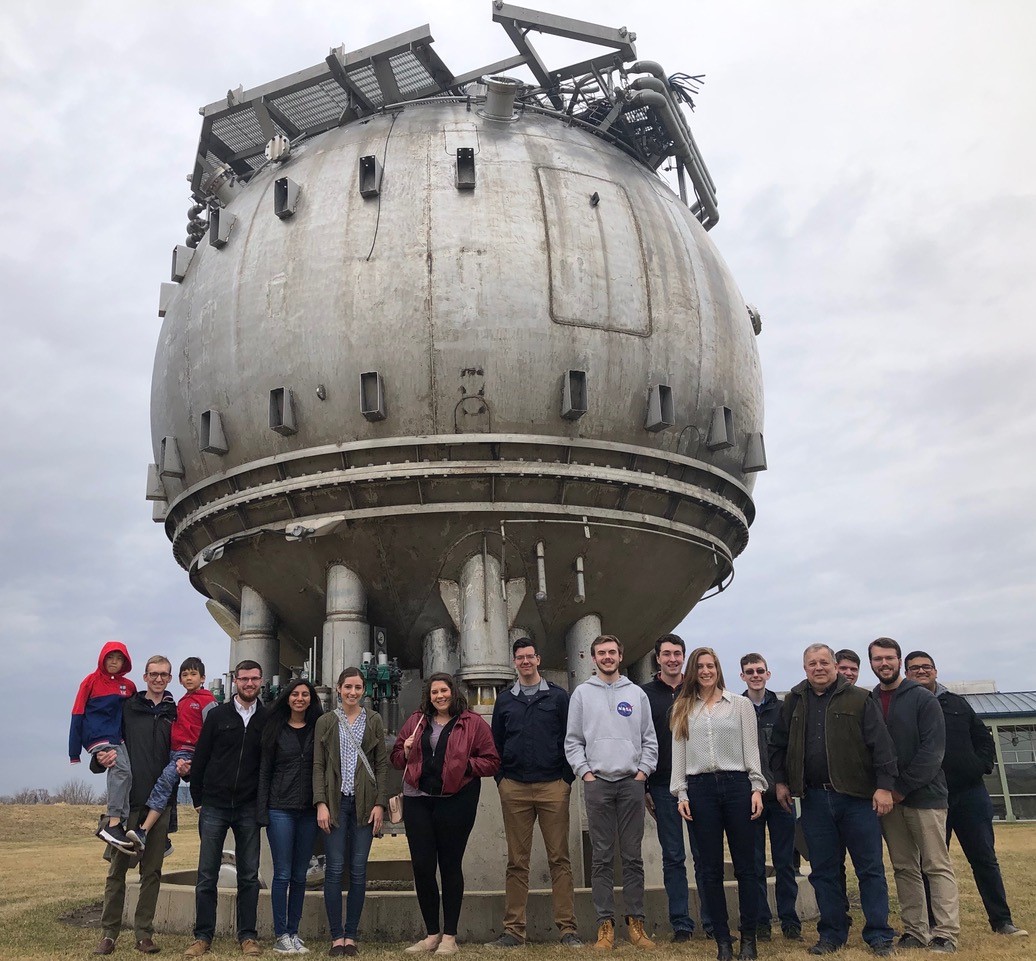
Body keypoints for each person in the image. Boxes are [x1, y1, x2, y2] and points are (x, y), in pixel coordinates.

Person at [769, 643, 897, 958]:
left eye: (824, 662)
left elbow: (881, 746)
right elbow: (779, 746)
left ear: (835, 665)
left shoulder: (858, 698)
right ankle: (832, 934)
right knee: (824, 871)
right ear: (805, 668)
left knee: (870, 869)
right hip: (813, 799)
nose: (819, 668)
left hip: (856, 799)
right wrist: (782, 782)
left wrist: (884, 787)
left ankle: (879, 935)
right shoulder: (794, 702)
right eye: (812, 663)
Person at [904, 651, 1027, 938]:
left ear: (935, 670)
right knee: (931, 863)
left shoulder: (957, 703)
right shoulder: (905, 705)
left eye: (926, 667)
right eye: (914, 668)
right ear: (906, 673)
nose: (922, 671)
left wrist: (980, 765)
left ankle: (1001, 921)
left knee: (984, 858)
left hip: (969, 794)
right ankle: (935, 922)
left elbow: (983, 738)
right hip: (930, 797)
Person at [392, 672, 500, 955]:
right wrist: (404, 751)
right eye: (434, 692)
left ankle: (450, 936)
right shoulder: (417, 720)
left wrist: (465, 767)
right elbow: (395, 758)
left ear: (454, 692)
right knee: (422, 867)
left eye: (444, 691)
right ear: (428, 696)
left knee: (450, 865)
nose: (439, 696)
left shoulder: (472, 723)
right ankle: (431, 934)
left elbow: (491, 761)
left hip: (456, 800)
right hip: (418, 800)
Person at [670, 647, 764, 961]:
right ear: (693, 672)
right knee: (709, 870)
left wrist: (755, 787)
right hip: (700, 789)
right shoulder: (682, 707)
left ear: (718, 669)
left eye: (711, 666)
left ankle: (748, 938)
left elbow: (751, 748)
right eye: (700, 667)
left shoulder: (739, 705)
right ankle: (722, 940)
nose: (706, 671)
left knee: (746, 867)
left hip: (737, 785)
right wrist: (681, 792)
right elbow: (679, 755)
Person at [565, 634, 658, 951]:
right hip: (598, 783)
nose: (607, 657)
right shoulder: (582, 694)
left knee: (632, 858)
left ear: (620, 655)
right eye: (601, 653)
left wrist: (642, 772)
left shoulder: (635, 694)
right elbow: (573, 740)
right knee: (602, 857)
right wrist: (586, 773)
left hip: (631, 783)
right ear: (593, 658)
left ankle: (637, 924)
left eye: (612, 652)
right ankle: (604, 926)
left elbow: (649, 739)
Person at [488, 639, 581, 948]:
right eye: (520, 658)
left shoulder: (557, 697)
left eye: (530, 657)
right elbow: (496, 743)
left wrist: (566, 778)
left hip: (553, 786)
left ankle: (567, 930)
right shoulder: (505, 701)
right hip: (514, 787)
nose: (526, 662)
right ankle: (514, 930)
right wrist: (501, 778)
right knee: (517, 861)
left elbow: (571, 738)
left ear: (538, 659)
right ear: (514, 662)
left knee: (559, 858)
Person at [869, 637, 959, 953]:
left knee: (936, 864)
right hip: (889, 801)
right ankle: (915, 931)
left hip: (925, 796)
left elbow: (932, 752)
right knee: (904, 866)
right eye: (878, 659)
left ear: (899, 661)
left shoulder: (923, 699)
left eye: (889, 658)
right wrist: (886, 792)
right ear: (872, 663)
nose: (884, 663)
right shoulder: (870, 700)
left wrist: (900, 789)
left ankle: (945, 933)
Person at [91, 654, 180, 956]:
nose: (158, 679)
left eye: (164, 675)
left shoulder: (174, 713)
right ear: (144, 677)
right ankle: (109, 933)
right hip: (128, 804)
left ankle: (144, 934)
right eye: (153, 674)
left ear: (170, 679)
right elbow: (107, 739)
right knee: (117, 872)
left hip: (159, 807)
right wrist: (98, 758)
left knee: (151, 872)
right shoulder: (128, 707)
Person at [185, 659, 268, 958]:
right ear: (235, 681)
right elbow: (202, 756)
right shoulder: (218, 715)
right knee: (207, 874)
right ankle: (202, 936)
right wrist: (197, 797)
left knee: (249, 875)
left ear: (261, 681)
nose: (249, 684)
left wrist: (262, 803)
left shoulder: (266, 718)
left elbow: (267, 765)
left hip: (247, 807)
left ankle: (247, 936)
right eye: (244, 679)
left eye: (254, 679)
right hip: (215, 805)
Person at [314, 668, 389, 957]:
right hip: (335, 802)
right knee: (333, 870)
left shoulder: (374, 720)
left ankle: (351, 935)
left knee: (358, 871)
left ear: (364, 690)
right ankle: (336, 935)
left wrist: (380, 804)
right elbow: (318, 765)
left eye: (358, 687)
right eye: (348, 687)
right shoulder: (326, 722)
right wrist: (320, 802)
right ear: (338, 688)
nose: (353, 692)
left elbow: (381, 765)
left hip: (363, 805)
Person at [642, 633, 711, 942]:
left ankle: (712, 921)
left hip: (700, 784)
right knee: (673, 856)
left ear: (684, 656)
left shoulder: (698, 691)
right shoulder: (644, 694)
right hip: (662, 786)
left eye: (677, 653)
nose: (672, 658)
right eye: (666, 653)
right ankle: (681, 924)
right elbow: (640, 740)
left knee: (704, 855)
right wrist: (645, 786)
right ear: (657, 658)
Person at [258, 677, 324, 954]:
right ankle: (280, 933)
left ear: (311, 699)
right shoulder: (275, 729)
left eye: (305, 694)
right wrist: (262, 809)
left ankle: (294, 933)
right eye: (295, 694)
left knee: (300, 875)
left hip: (308, 810)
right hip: (280, 809)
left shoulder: (317, 729)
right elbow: (265, 771)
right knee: (282, 873)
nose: (300, 698)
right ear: (287, 697)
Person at [739, 653, 801, 942]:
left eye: (759, 670)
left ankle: (790, 920)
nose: (755, 675)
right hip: (751, 797)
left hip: (780, 796)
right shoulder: (736, 709)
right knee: (753, 864)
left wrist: (784, 783)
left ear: (768, 674)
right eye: (749, 671)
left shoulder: (783, 708)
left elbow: (789, 750)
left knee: (785, 861)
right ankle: (761, 921)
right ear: (742, 676)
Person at [131, 657, 217, 849]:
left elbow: (214, 731)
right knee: (170, 790)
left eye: (193, 674)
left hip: (189, 752)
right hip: (175, 751)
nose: (189, 678)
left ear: (203, 678)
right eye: (185, 675)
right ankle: (166, 839)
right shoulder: (181, 702)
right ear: (178, 679)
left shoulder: (207, 700)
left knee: (163, 785)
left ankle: (143, 830)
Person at [70, 641, 138, 852]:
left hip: (118, 737)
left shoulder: (129, 686)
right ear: (102, 659)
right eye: (110, 657)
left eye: (119, 659)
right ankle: (113, 822)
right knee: (121, 771)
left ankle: (120, 824)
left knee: (128, 774)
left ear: (125, 662)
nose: (114, 662)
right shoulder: (90, 681)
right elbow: (77, 712)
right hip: (97, 735)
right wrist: (74, 751)